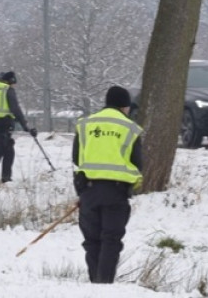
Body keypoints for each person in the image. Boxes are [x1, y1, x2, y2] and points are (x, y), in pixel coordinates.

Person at [71, 85, 143, 284]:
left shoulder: (85, 124)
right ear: (125, 106)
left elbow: (76, 157)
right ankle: (104, 285)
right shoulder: (130, 128)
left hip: (89, 190)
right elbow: (138, 163)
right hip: (116, 191)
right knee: (111, 240)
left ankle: (95, 283)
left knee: (92, 241)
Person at [0, 71, 37, 184]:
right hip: (5, 124)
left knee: (8, 150)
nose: (13, 86)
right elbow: (15, 109)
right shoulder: (7, 89)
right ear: (9, 81)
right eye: (13, 83)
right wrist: (26, 126)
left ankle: (6, 178)